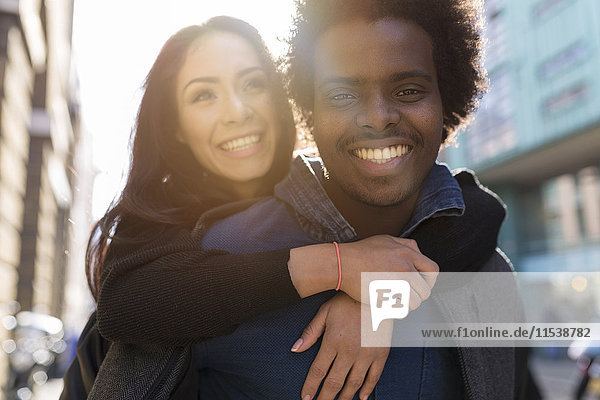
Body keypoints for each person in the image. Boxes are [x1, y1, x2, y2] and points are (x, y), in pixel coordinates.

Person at [61, 15, 507, 400]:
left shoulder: (341, 194)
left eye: (253, 83)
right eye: (203, 95)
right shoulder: (168, 238)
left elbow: (477, 213)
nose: (237, 111)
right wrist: (338, 266)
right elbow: (128, 306)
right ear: (174, 126)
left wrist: (377, 295)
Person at [184, 0, 535, 399]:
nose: (378, 116)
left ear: (446, 102)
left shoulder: (488, 273)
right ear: (309, 110)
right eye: (341, 95)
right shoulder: (218, 255)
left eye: (408, 90)